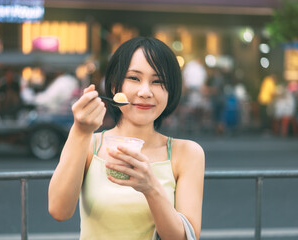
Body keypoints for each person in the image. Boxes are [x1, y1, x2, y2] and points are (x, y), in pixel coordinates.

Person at [48, 37, 205, 240]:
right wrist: (80, 131)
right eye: (134, 78)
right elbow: (59, 210)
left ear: (171, 91)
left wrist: (151, 188)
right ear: (114, 86)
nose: (145, 92)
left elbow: (185, 238)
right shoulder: (89, 143)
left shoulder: (187, 153)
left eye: (158, 81)